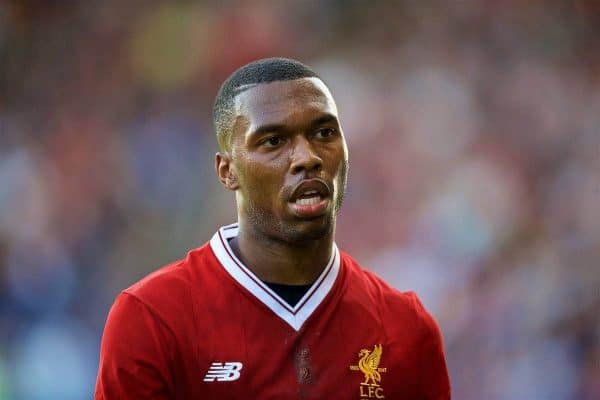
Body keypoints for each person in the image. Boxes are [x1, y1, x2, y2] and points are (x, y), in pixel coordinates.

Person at [94, 57, 451, 399]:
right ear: (227, 171)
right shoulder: (152, 319)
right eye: (273, 141)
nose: (307, 157)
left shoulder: (405, 329)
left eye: (324, 132)